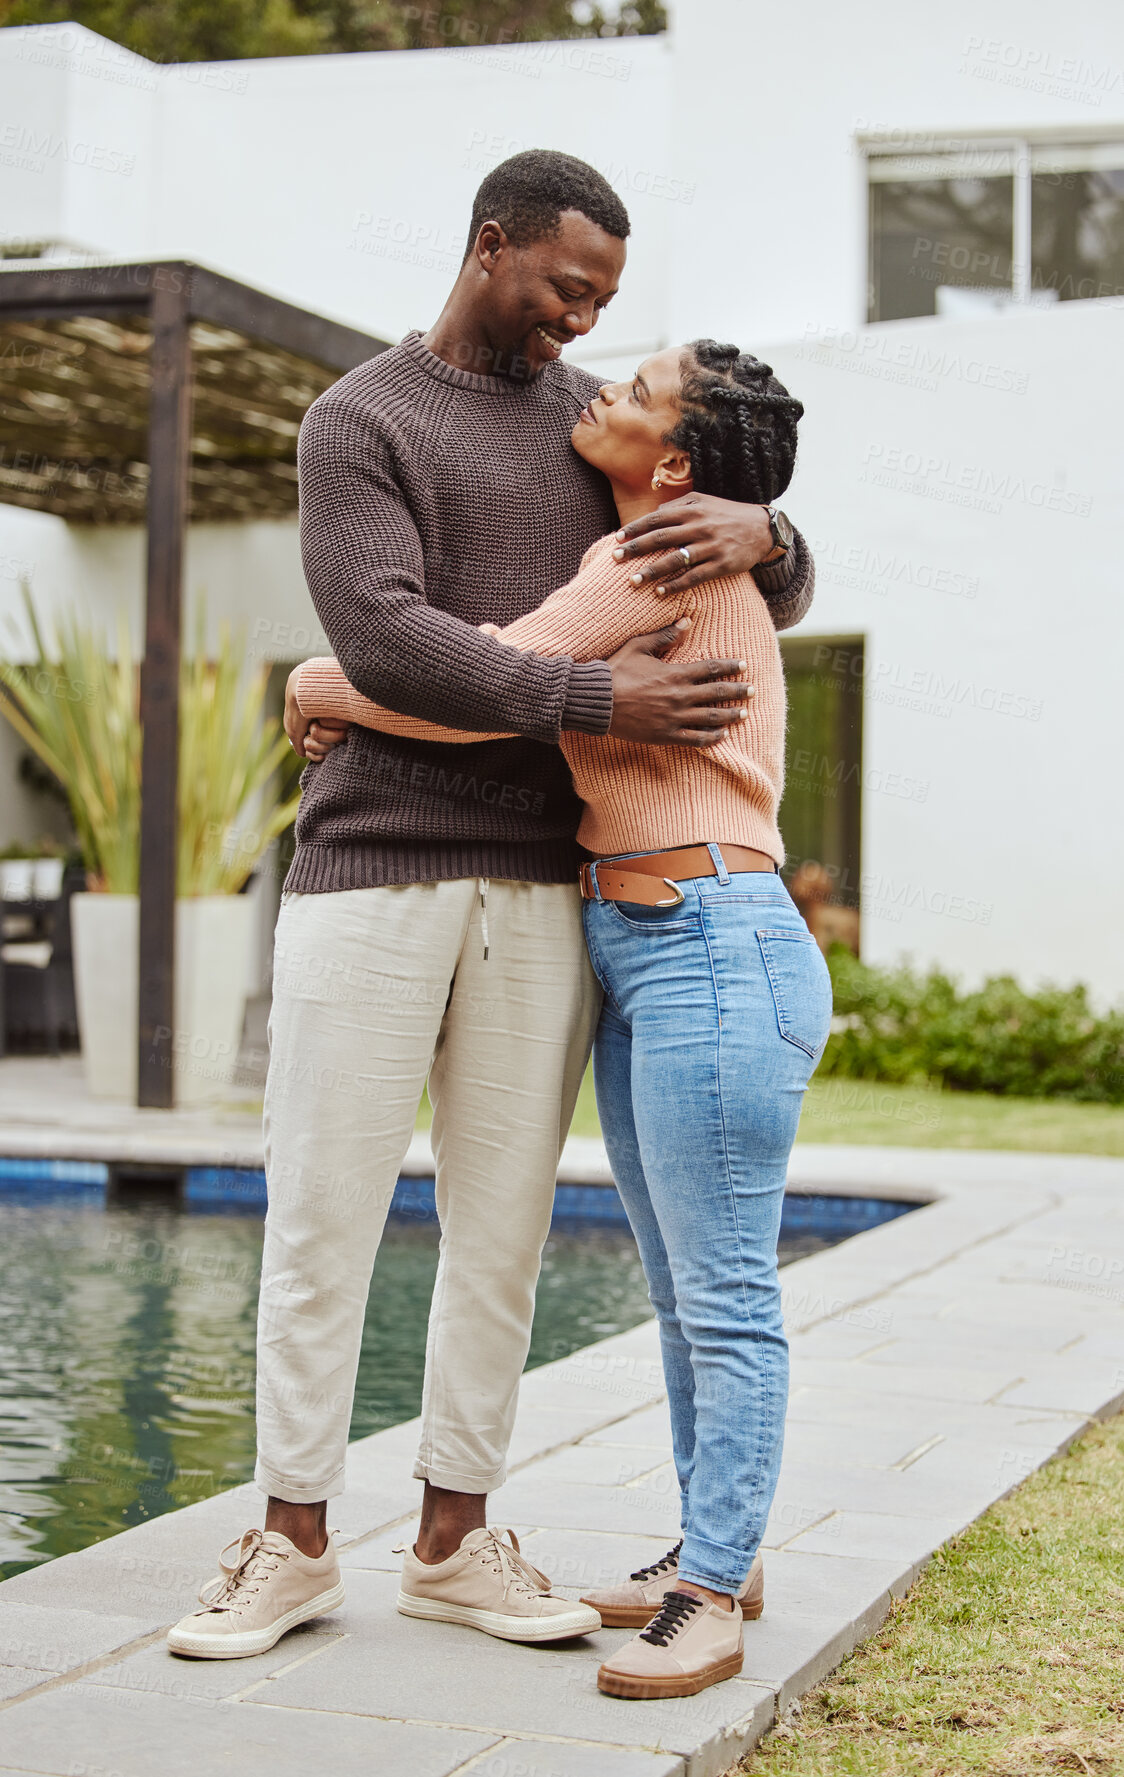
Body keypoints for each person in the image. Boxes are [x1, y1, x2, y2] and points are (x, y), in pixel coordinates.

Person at [166, 151, 815, 1663]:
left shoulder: (594, 427)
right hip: (372, 864)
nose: (579, 323)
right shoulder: (360, 420)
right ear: (488, 245)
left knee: (507, 1232)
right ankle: (294, 1535)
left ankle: (456, 1538)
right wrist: (585, 696)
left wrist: (773, 533)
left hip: (549, 885)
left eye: (604, 302)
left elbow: (731, 537)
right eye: (564, 287)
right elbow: (389, 632)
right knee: (324, 1216)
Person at [289, 338, 832, 1701]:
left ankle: (708, 1595)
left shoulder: (654, 557)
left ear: (675, 466)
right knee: (684, 1284)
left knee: (724, 1292)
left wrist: (322, 687)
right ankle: (719, 1553)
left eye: (638, 389)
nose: (603, 385)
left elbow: (488, 681)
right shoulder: (670, 536)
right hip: (655, 941)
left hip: (712, 939)